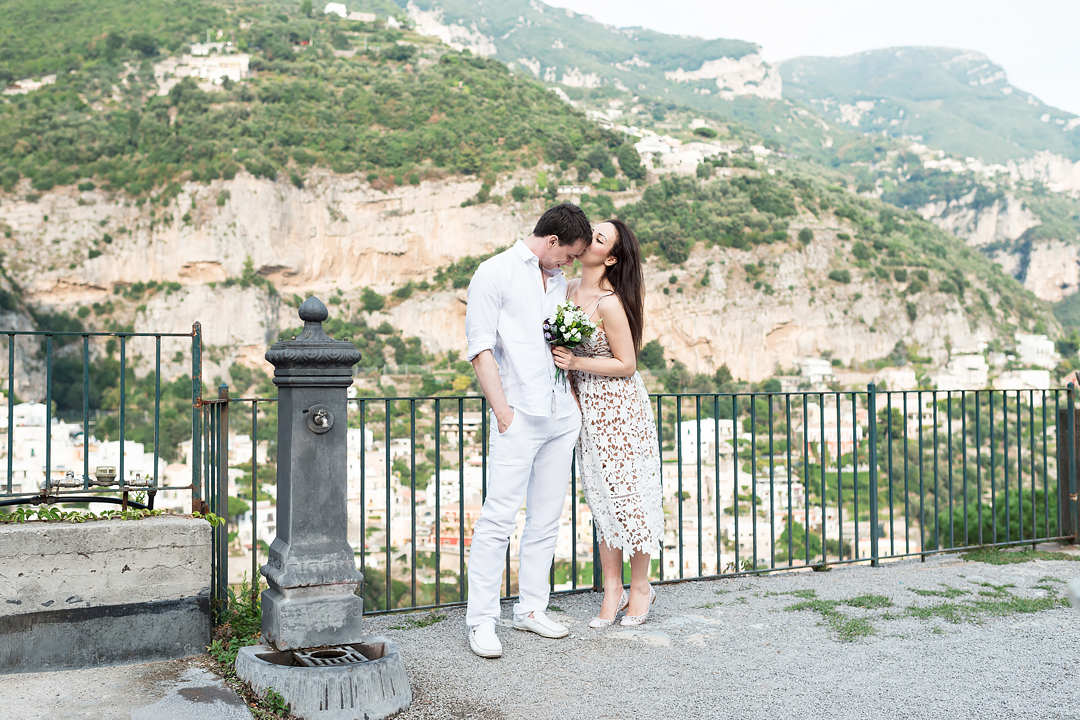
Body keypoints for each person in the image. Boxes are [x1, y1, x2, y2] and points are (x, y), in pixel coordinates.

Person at [463, 203, 591, 658]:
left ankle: (532, 609)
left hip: (559, 415)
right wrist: (503, 413)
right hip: (517, 413)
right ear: (552, 240)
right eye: (569, 255)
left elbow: (556, 343)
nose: (570, 264)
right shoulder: (493, 273)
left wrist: (571, 402)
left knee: (545, 517)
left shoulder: (555, 281)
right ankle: (481, 620)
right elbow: (480, 348)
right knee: (498, 517)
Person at [552, 219, 664, 627]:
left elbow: (627, 363)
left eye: (598, 239)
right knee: (602, 500)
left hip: (619, 407)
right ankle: (611, 588)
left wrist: (576, 361)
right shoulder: (566, 291)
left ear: (610, 257)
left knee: (629, 498)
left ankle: (640, 587)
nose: (588, 240)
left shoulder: (610, 302)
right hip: (586, 410)